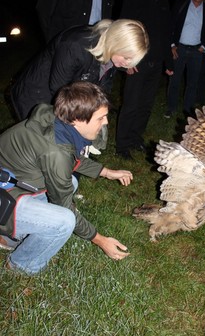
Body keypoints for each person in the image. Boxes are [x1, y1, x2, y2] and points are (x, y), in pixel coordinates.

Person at [0, 81, 133, 275]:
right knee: (65, 221)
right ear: (77, 120)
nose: (106, 122)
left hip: (11, 184)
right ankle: (20, 266)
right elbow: (64, 203)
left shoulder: (55, 120)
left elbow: (71, 159)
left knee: (71, 182)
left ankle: (8, 237)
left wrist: (106, 172)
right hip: (5, 197)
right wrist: (100, 240)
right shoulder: (55, 152)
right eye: (101, 118)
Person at [9, 19, 149, 155]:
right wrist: (84, 117)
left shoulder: (111, 52)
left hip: (67, 96)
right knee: (39, 145)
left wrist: (97, 112)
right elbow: (59, 89)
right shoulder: (75, 44)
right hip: (37, 95)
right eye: (127, 58)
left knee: (62, 146)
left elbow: (102, 86)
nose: (128, 65)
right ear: (117, 43)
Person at [115, 0, 174, 160]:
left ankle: (134, 137)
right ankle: (122, 144)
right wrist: (127, 62)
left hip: (155, 65)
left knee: (146, 105)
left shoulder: (165, 3)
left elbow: (166, 35)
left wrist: (169, 63)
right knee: (131, 104)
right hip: (136, 63)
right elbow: (123, 30)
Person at [164, 0, 205, 118]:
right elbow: (170, 25)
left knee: (192, 83)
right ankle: (171, 108)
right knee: (174, 80)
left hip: (196, 51)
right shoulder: (181, 4)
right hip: (179, 48)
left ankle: (187, 110)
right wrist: (172, 45)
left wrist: (204, 47)